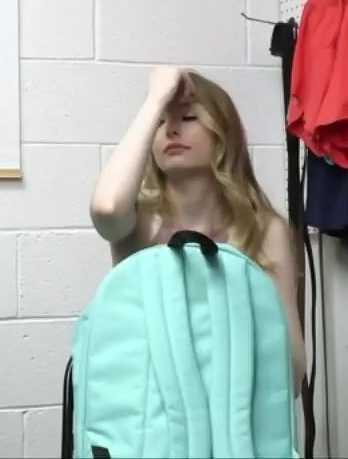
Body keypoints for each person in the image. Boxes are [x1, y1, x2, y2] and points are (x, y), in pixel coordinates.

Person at [88, 66, 306, 389]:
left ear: (223, 135)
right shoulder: (140, 221)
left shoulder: (263, 230)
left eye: (189, 118)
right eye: (160, 122)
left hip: (235, 405)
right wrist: (156, 97)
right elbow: (107, 207)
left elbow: (293, 371)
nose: (171, 130)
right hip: (149, 406)